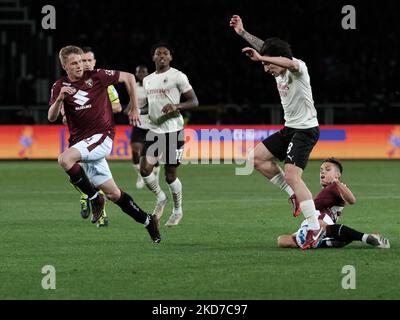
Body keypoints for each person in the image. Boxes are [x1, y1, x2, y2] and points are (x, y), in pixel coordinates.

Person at [48, 45, 161, 243]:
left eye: (81, 61)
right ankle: (147, 220)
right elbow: (51, 117)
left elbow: (129, 78)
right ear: (65, 66)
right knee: (114, 194)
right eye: (74, 63)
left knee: (65, 159)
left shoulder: (98, 76)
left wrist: (134, 107)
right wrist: (59, 99)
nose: (80, 66)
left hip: (102, 136)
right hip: (83, 143)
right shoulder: (60, 86)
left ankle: (93, 198)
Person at [230, 15, 322, 250]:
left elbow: (288, 61)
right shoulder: (277, 64)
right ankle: (293, 194)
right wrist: (242, 33)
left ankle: (314, 227)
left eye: (268, 64)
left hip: (306, 130)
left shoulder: (298, 68)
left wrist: (262, 56)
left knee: (293, 174)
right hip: (290, 128)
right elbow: (266, 48)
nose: (266, 68)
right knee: (255, 159)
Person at [61, 46, 123, 227]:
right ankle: (86, 195)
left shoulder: (102, 83)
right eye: (82, 61)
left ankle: (98, 209)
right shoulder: (70, 85)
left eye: (88, 61)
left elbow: (118, 107)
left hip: (97, 135)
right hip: (79, 135)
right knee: (75, 172)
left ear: (94, 62)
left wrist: (96, 107)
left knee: (92, 175)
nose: (85, 64)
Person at [140, 43, 199, 226]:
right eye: (158, 54)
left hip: (174, 131)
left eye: (165, 53)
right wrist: (136, 110)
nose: (162, 56)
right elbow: (151, 105)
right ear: (153, 58)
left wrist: (176, 106)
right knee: (145, 169)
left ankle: (177, 210)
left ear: (170, 58)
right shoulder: (147, 80)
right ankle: (160, 197)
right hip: (154, 130)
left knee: (170, 175)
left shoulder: (177, 76)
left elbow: (194, 101)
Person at [277, 158, 390, 249]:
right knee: (282, 240)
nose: (322, 171)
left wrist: (337, 182)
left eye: (327, 169)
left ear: (337, 174)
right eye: (321, 169)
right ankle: (332, 242)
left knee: (320, 224)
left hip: (321, 221)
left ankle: (366, 238)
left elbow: (352, 200)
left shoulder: (335, 186)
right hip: (313, 224)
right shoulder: (327, 190)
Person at [126, 65, 160, 189]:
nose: (141, 74)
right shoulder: (134, 87)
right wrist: (128, 110)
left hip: (151, 123)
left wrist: (138, 110)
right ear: (136, 73)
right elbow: (132, 102)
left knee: (152, 154)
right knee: (135, 149)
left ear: (147, 73)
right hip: (139, 123)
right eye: (138, 72)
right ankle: (141, 174)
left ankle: (155, 175)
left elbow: (153, 104)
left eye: (143, 72)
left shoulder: (152, 86)